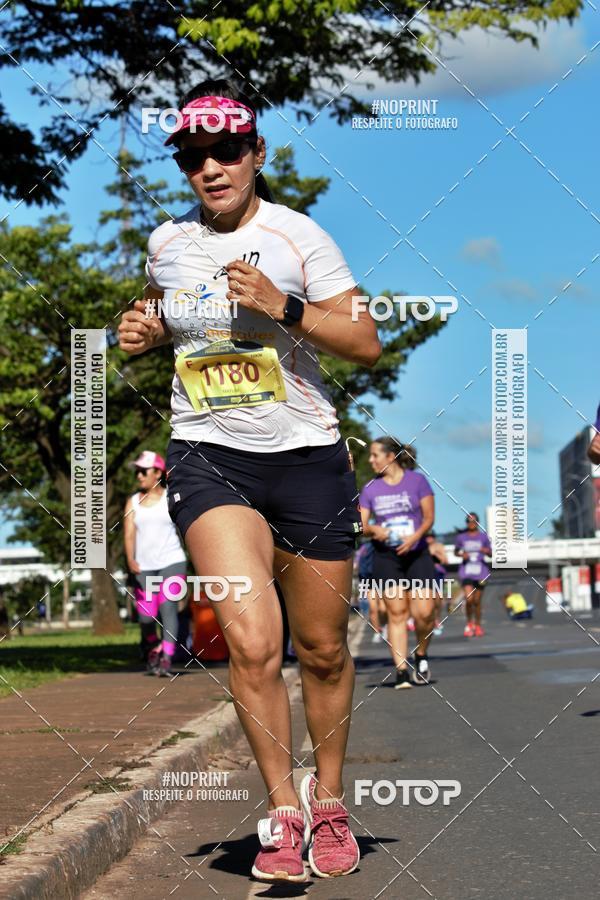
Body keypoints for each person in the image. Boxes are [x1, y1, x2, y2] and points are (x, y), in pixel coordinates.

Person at [118, 78, 381, 883]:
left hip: (307, 456)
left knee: (324, 650)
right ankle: (280, 813)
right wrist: (145, 328)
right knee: (253, 643)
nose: (211, 167)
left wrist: (287, 308)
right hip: (208, 455)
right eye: (194, 156)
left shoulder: (302, 237)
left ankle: (328, 800)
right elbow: (172, 313)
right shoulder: (168, 242)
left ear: (256, 153)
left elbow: (365, 342)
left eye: (227, 150)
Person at [359, 437, 437, 689]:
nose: (371, 460)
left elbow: (429, 518)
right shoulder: (371, 488)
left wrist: (414, 537)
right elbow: (361, 525)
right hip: (386, 556)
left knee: (425, 613)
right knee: (397, 612)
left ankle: (421, 653)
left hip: (416, 553)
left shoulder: (417, 481)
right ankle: (402, 670)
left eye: (374, 455)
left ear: (390, 456)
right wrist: (374, 530)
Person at [123, 450, 187, 677]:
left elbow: (184, 527)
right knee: (145, 616)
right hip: (144, 566)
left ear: (158, 472)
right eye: (137, 471)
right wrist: (130, 559)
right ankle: (153, 649)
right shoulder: (132, 502)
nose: (139, 475)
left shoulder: (171, 496)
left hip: (173, 561)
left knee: (167, 607)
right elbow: (129, 534)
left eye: (143, 471)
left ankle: (167, 658)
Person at [454, 513, 492, 638]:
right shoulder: (461, 537)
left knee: (477, 601)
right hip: (467, 572)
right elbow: (456, 551)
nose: (471, 524)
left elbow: (491, 554)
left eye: (474, 521)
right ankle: (469, 623)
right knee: (469, 599)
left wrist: (487, 551)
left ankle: (478, 625)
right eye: (469, 521)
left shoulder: (483, 537)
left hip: (481, 572)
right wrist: (461, 555)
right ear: (466, 523)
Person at [426, 531, 448, 635]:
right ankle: (430, 620)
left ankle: (437, 619)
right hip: (425, 575)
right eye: (427, 537)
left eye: (431, 536)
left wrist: (436, 555)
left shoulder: (439, 546)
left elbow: (445, 561)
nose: (429, 539)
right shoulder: (422, 547)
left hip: (437, 574)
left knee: (438, 599)